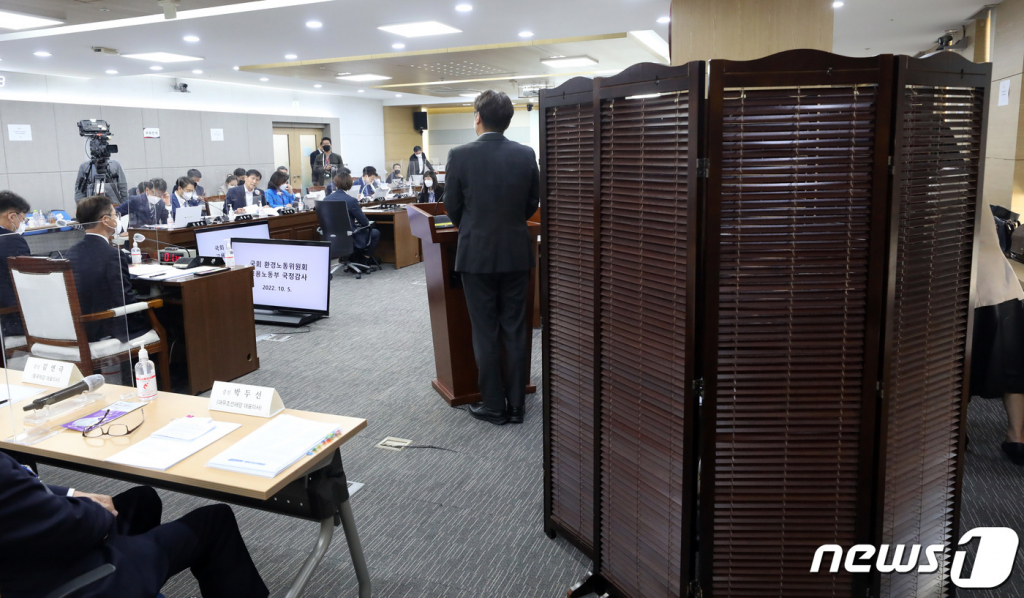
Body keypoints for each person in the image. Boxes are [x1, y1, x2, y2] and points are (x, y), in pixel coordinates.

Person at [0, 451, 269, 598]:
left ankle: (143, 586)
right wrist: (96, 510)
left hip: (22, 556)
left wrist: (72, 493)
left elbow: (19, 488)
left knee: (143, 499)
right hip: (66, 579)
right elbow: (74, 524)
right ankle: (128, 581)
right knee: (216, 520)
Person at [444, 90, 539, 426]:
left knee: (485, 330)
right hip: (516, 253)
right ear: (508, 120)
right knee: (515, 328)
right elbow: (531, 203)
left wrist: (473, 227)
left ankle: (494, 406)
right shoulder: (526, 154)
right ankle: (517, 407)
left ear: (478, 118)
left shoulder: (459, 155)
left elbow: (452, 206)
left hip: (476, 255)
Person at [972, 206, 1024, 464]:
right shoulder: (976, 190)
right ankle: (1017, 438)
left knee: (955, 368)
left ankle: (953, 434)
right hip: (1001, 287)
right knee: (1011, 367)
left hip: (959, 287)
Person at [66, 195, 152, 343]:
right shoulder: (112, 254)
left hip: (80, 328)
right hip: (108, 329)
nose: (117, 219)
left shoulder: (70, 252)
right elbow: (124, 299)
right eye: (115, 215)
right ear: (106, 220)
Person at [324, 170, 380, 263]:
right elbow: (365, 223)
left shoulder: (326, 199)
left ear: (336, 183)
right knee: (375, 233)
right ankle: (364, 259)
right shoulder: (351, 200)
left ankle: (351, 258)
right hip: (350, 237)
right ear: (349, 184)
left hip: (332, 237)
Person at [0, 191, 30, 339]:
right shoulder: (11, 239)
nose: (22, 225)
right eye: (22, 219)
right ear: (12, 217)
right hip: (12, 319)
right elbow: (29, 277)